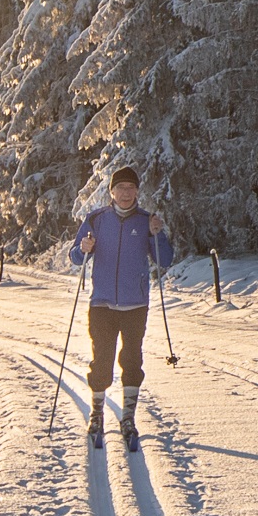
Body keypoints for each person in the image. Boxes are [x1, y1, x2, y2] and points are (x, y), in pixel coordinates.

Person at [70, 165, 174, 446]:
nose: (126, 194)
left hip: (135, 305)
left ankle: (128, 416)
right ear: (111, 192)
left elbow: (164, 260)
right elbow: (76, 257)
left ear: (137, 192)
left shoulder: (146, 221)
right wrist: (83, 249)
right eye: (121, 189)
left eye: (131, 189)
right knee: (101, 360)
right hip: (102, 304)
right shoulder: (96, 219)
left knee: (131, 360)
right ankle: (97, 414)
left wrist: (158, 234)